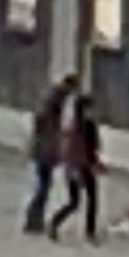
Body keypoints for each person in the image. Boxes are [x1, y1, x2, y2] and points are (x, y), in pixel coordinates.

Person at [22, 78, 73, 235]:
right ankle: (33, 219)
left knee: (43, 185)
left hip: (43, 150)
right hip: (45, 152)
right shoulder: (53, 104)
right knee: (43, 186)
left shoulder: (50, 101)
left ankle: (35, 219)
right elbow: (47, 128)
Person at [60, 89, 105, 243]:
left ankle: (55, 222)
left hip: (73, 166)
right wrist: (94, 164)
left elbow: (69, 148)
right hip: (84, 167)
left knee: (74, 202)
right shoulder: (88, 126)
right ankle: (90, 232)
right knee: (91, 200)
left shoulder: (73, 126)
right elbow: (91, 148)